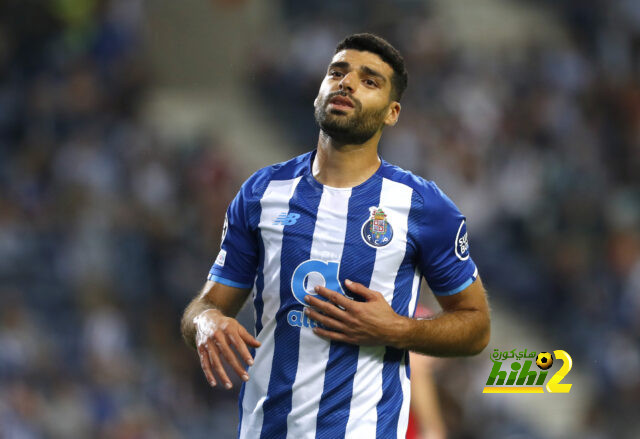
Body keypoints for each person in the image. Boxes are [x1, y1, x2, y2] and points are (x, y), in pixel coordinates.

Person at [181, 33, 490, 439]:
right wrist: (205, 323)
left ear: (392, 112)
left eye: (370, 81)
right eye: (337, 72)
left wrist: (395, 329)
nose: (346, 83)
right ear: (319, 92)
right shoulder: (262, 193)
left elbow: (476, 327)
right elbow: (204, 307)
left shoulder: (424, 206)